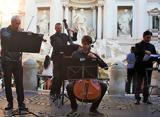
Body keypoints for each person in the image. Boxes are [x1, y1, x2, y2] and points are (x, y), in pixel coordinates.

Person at [66, 35, 108, 115]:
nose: (85, 46)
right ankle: (74, 108)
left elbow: (105, 67)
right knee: (69, 87)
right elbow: (71, 64)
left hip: (92, 80)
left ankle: (93, 108)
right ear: (82, 44)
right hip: (78, 79)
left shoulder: (94, 55)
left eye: (87, 44)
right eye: (84, 43)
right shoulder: (76, 54)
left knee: (104, 86)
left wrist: (96, 59)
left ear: (90, 45)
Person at [0, 15, 27, 110]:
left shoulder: (19, 31)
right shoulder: (4, 31)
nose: (18, 25)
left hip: (17, 61)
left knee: (19, 83)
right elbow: (7, 38)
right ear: (12, 23)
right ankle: (10, 103)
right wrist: (19, 33)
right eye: (17, 24)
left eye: (19, 23)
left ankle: (21, 104)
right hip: (7, 61)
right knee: (7, 83)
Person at [50, 23, 77, 99]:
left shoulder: (65, 35)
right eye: (58, 28)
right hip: (56, 58)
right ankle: (52, 92)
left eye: (60, 28)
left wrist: (73, 32)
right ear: (55, 28)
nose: (59, 29)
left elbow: (74, 39)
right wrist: (67, 48)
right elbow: (56, 47)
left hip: (64, 59)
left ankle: (58, 93)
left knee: (61, 76)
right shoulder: (52, 37)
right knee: (56, 76)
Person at [134, 30, 157, 105]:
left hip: (148, 68)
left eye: (150, 37)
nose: (149, 39)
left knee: (147, 84)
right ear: (144, 37)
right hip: (140, 67)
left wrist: (155, 59)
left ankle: (146, 98)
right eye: (147, 37)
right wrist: (145, 51)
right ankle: (137, 99)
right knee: (138, 83)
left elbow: (154, 55)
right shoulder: (138, 45)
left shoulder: (152, 46)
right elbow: (137, 52)